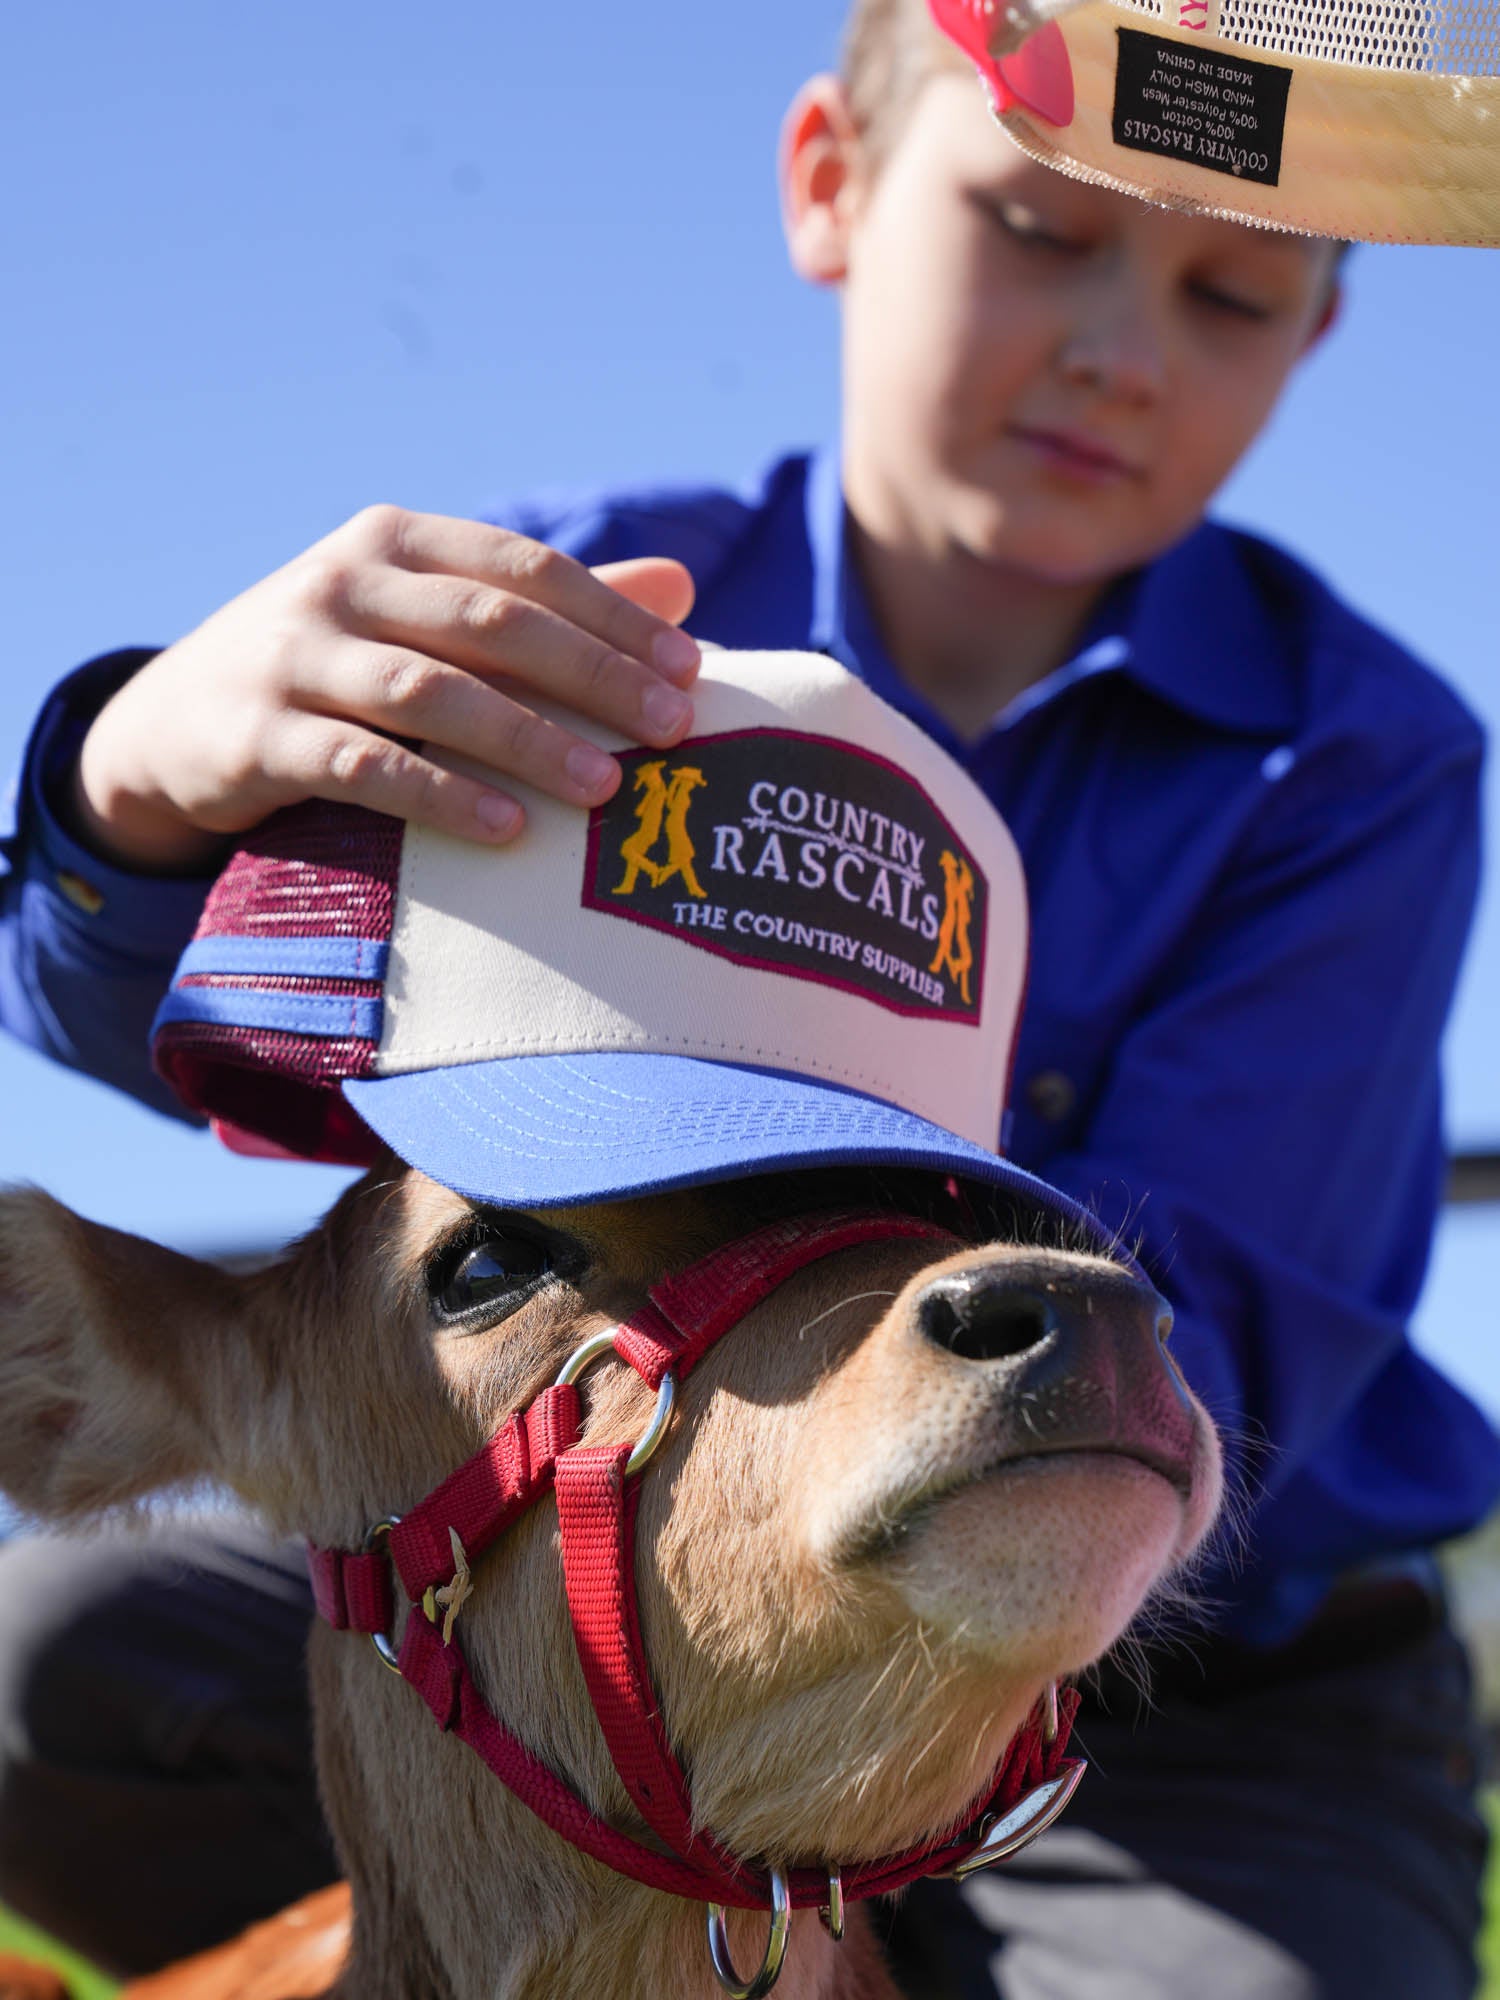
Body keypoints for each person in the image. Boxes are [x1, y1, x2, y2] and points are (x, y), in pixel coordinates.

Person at [1, 0, 1495, 1991]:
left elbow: (1211, 1318)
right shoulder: (594, 619)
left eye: (1230, 289)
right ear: (831, 183)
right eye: (1040, 229)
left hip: (1176, 1675)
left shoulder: (1356, 757)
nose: (1118, 352)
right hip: (612, 1513)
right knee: (45, 1666)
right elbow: (233, 1049)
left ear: (1316, 332)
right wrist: (134, 786)